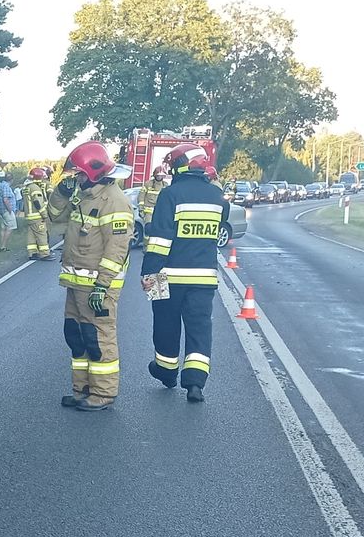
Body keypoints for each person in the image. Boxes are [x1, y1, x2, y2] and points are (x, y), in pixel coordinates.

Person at [47, 141, 133, 411]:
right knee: (76, 335)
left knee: (98, 339)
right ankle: (81, 388)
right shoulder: (83, 196)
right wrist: (61, 192)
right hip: (76, 283)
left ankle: (103, 393)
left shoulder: (114, 201)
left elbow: (117, 248)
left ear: (94, 172)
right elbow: (53, 216)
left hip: (97, 286)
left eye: (79, 174)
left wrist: (102, 286)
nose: (77, 179)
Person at [140, 144, 226, 402]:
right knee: (200, 328)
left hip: (167, 275)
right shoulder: (217, 196)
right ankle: (195, 383)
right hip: (204, 277)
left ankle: (166, 372)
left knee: (165, 324)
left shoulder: (170, 194)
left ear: (178, 167)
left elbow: (159, 240)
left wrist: (148, 273)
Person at [22, 167, 52, 259]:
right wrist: (44, 214)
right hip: (37, 216)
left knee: (31, 235)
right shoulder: (35, 188)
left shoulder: (26, 187)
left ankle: (32, 253)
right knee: (41, 234)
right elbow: (37, 202)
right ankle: (45, 254)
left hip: (29, 217)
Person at [0, 170, 18, 252]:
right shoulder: (6, 187)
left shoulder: (0, 186)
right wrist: (10, 210)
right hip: (7, 210)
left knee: (3, 228)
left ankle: (2, 246)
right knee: (10, 227)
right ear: (12, 180)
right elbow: (5, 199)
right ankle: (3, 246)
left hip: (1, 210)